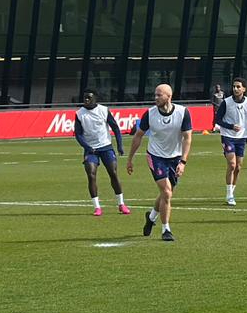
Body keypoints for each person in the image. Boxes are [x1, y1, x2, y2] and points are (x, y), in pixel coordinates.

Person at [126, 83, 191, 242]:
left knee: (166, 193)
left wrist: (182, 162)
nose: (155, 98)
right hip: (155, 156)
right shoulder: (149, 114)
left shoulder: (183, 112)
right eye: (155, 95)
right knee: (167, 192)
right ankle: (166, 229)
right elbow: (138, 136)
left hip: (175, 158)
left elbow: (187, 137)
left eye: (159, 95)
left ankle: (151, 217)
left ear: (169, 96)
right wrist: (130, 159)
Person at [74, 88, 129, 216]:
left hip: (106, 147)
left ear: (95, 99)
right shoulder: (79, 114)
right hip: (91, 150)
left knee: (113, 173)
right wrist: (87, 147)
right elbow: (78, 134)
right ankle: (97, 207)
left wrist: (120, 145)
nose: (86, 100)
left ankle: (121, 204)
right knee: (91, 174)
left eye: (89, 98)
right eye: (85, 98)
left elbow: (115, 127)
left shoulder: (103, 110)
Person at [214, 77, 247, 206]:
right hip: (228, 136)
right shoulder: (226, 102)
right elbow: (218, 120)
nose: (235, 89)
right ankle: (229, 194)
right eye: (234, 86)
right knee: (232, 164)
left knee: (238, 167)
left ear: (244, 89)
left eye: (238, 87)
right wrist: (231, 126)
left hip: (242, 137)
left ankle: (232, 190)